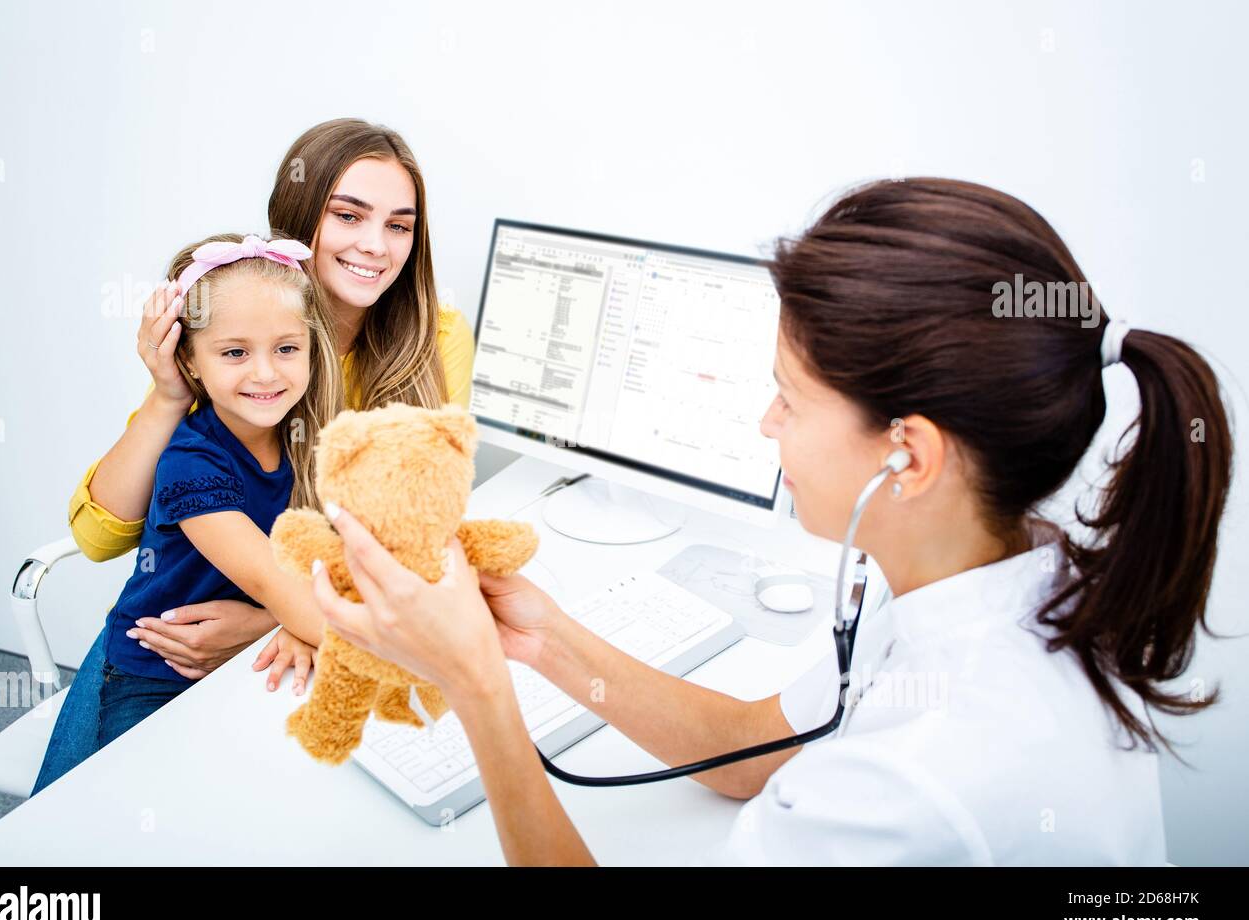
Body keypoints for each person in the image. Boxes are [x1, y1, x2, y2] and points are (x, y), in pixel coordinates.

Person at [304, 178, 1233, 865]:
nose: (764, 425)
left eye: (787, 399)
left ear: (907, 455)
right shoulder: (1003, 573)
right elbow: (751, 751)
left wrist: (476, 688)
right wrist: (539, 641)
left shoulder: (912, 783)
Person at [32, 119, 473, 795]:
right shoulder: (242, 325)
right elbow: (98, 538)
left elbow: (413, 539)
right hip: (182, 638)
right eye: (348, 215)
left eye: (399, 225)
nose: (375, 245)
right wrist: (165, 396)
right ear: (300, 221)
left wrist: (269, 619)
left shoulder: (434, 340)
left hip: (293, 626)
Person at [94, 232, 340, 749]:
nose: (266, 373)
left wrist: (286, 623)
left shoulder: (310, 435)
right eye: (234, 352)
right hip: (158, 675)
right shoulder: (190, 462)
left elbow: (337, 563)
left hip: (246, 652)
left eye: (287, 348)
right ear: (188, 363)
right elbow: (280, 584)